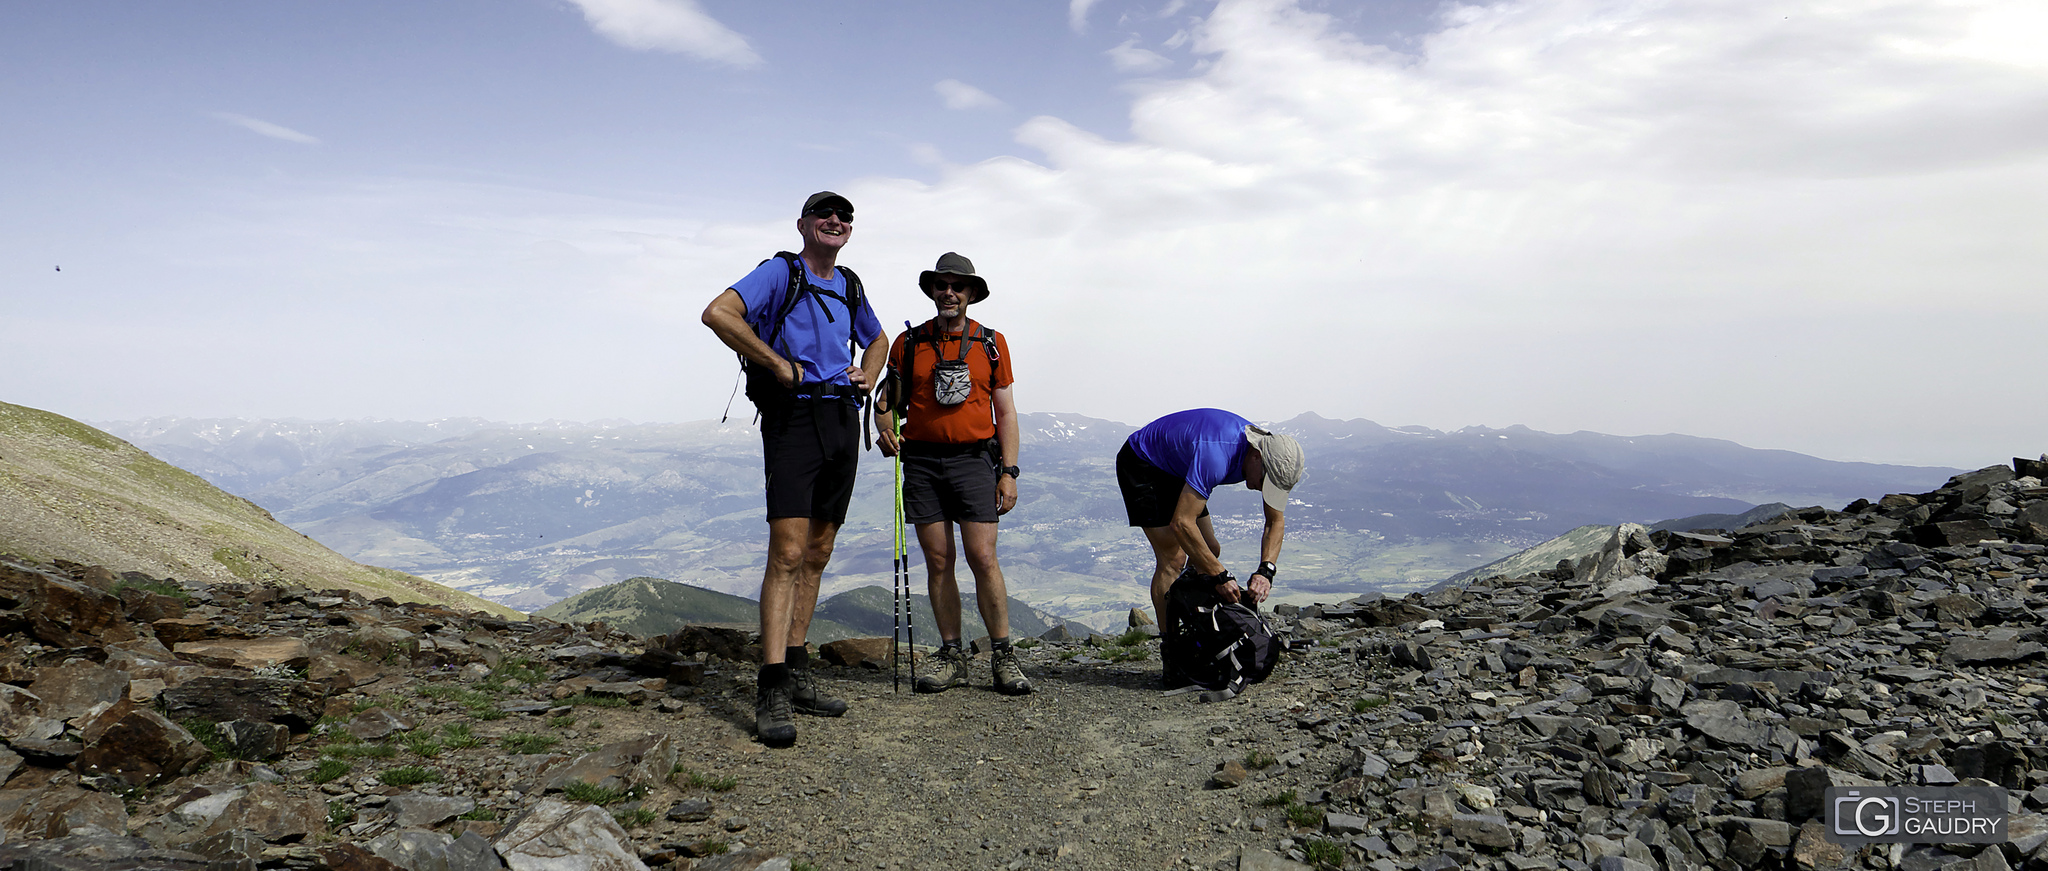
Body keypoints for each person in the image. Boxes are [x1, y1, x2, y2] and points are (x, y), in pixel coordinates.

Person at [700, 191, 888, 747]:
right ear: (803, 224)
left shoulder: (849, 283)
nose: (835, 221)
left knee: (820, 549)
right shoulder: (780, 272)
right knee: (786, 552)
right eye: (824, 215)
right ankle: (772, 683)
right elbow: (718, 313)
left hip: (840, 421)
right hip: (794, 420)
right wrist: (778, 363)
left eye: (844, 217)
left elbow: (876, 338)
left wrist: (868, 373)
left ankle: (799, 669)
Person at [876, 253, 1031, 696]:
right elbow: (887, 402)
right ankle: (951, 656)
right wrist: (885, 430)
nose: (949, 292)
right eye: (942, 285)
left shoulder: (992, 343)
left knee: (983, 557)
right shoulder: (908, 344)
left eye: (957, 286)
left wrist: (1009, 471)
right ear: (933, 291)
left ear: (970, 294)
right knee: (939, 560)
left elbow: (1006, 412)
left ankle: (1003, 655)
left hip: (975, 461)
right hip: (922, 461)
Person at [1116, 409, 1304, 683]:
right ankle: (1173, 653)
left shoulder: (1269, 457)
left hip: (1176, 465)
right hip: (1143, 461)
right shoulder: (1217, 454)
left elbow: (1274, 521)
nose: (1265, 490)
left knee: (1209, 550)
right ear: (1255, 456)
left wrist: (1266, 571)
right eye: (1266, 482)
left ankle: (1198, 630)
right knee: (1174, 559)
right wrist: (1221, 575)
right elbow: (1182, 523)